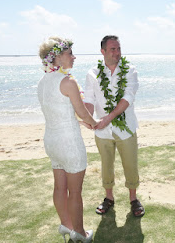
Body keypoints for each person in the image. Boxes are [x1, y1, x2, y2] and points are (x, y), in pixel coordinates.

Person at [37, 36, 98, 243]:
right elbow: (81, 111)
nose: (73, 57)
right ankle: (80, 233)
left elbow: (58, 112)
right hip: (69, 143)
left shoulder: (42, 82)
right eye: (69, 53)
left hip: (51, 141)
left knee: (59, 187)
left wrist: (83, 121)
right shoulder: (68, 81)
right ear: (57, 57)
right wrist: (94, 123)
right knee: (75, 191)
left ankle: (66, 225)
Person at [84, 35, 145, 217]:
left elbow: (128, 97)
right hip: (102, 131)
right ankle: (108, 198)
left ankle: (133, 199)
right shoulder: (92, 73)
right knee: (106, 165)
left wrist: (107, 118)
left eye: (118, 48)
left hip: (126, 128)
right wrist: (87, 118)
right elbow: (88, 100)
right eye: (112, 49)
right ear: (102, 51)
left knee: (130, 164)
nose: (117, 52)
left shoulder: (130, 70)